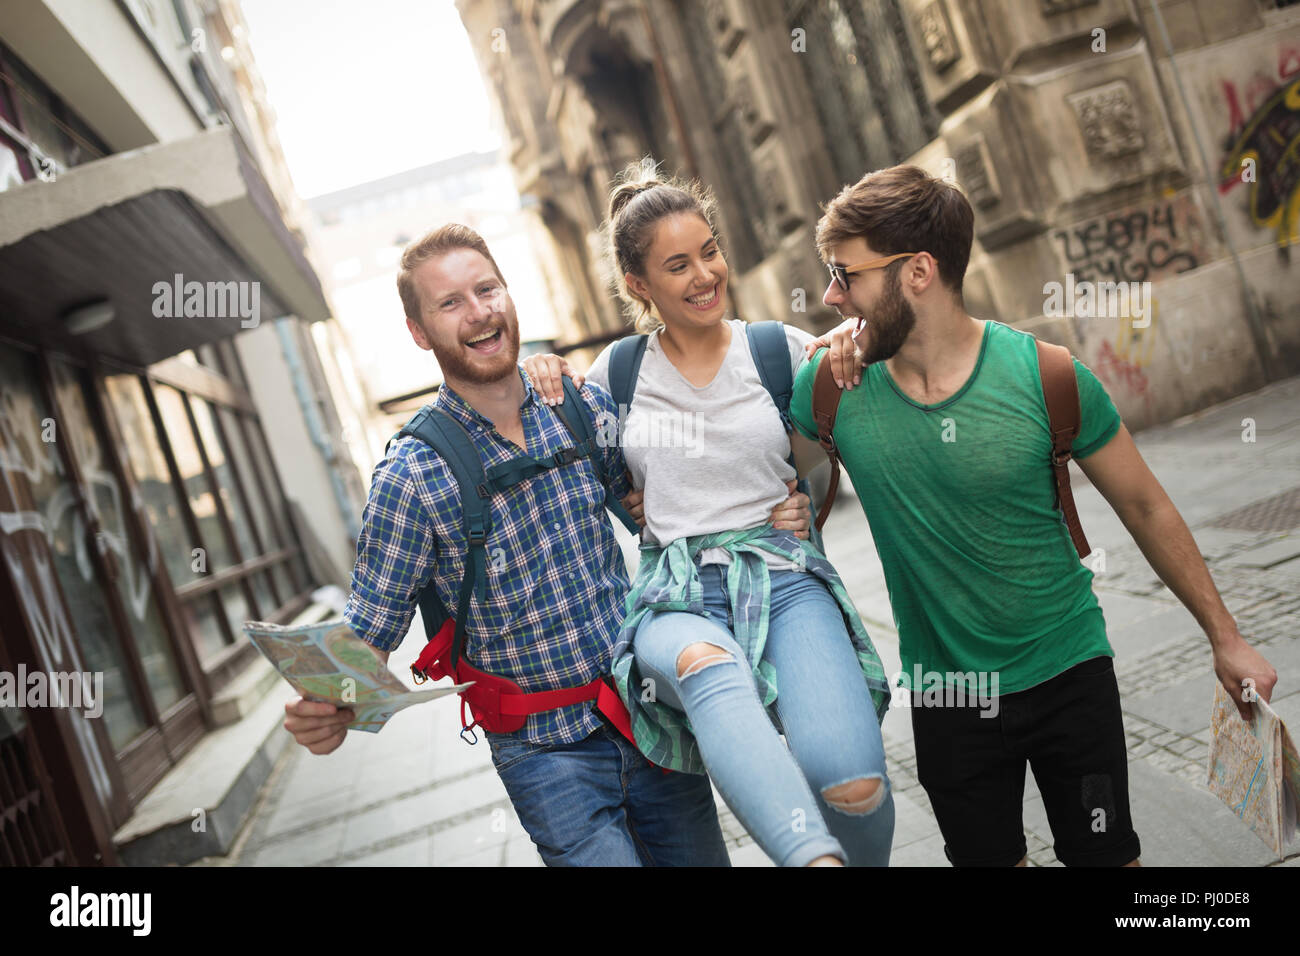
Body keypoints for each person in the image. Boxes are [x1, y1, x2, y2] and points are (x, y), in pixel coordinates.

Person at [794, 163, 1278, 867]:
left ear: (919, 271)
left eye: (847, 274)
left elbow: (1145, 504)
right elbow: (746, 445)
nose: (833, 296)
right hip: (949, 694)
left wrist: (1225, 637)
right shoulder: (832, 390)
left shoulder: (1047, 377)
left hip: (1068, 674)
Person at [282, 223, 809, 866]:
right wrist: (332, 709)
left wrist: (779, 504)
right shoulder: (411, 477)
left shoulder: (580, 405)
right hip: (544, 754)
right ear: (419, 333)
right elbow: (366, 634)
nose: (478, 312)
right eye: (450, 303)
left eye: (487, 289)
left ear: (508, 294)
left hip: (649, 712)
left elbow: (673, 504)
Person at [523, 163, 894, 867]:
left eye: (709, 251)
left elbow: (824, 451)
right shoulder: (616, 373)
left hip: (783, 579)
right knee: (704, 666)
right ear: (639, 285)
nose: (704, 276)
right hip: (676, 594)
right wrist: (542, 370)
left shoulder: (776, 349)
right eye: (676, 265)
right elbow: (589, 467)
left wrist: (851, 353)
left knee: (854, 788)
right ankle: (814, 859)